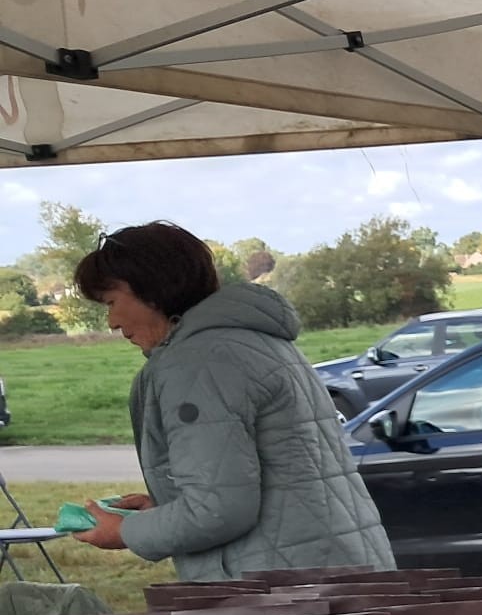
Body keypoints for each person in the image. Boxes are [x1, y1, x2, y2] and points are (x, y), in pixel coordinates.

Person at [69, 222, 395, 579]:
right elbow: (272, 479)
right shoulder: (253, 340)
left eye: (112, 302)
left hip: (287, 591)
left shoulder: (198, 362)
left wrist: (125, 531)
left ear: (153, 289)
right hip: (333, 567)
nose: (113, 322)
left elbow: (216, 510)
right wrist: (161, 512)